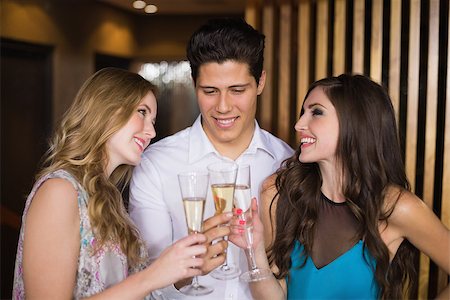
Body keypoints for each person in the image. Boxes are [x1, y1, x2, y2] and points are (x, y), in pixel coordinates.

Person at [230, 74, 450, 299]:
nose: (299, 125)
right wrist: (254, 251)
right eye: (303, 112)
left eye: (316, 112)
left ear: (354, 121)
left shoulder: (395, 207)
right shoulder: (278, 192)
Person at [129, 17, 293, 299]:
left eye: (237, 90)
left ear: (261, 82)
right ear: (194, 84)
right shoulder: (156, 163)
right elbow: (143, 278)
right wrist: (186, 270)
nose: (223, 107)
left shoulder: (287, 163)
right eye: (210, 91)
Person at [12, 67, 210, 299]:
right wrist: (152, 276)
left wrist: (183, 270)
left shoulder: (108, 198)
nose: (151, 132)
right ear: (107, 111)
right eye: (142, 112)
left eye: (153, 120)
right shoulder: (60, 191)